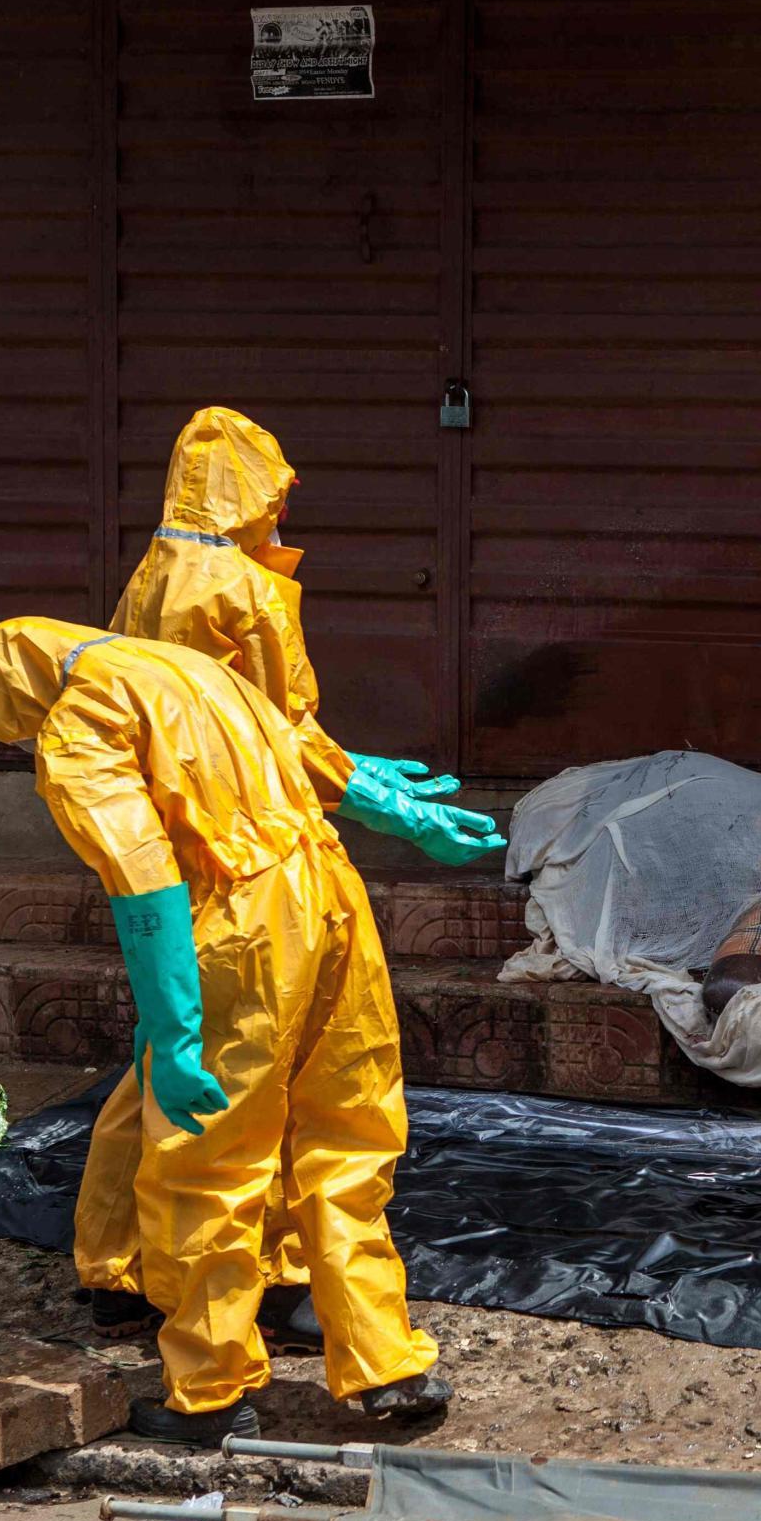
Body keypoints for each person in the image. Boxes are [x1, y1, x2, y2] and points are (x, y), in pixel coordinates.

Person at [73, 407, 501, 1355]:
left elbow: (218, 726)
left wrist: (368, 774)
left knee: (168, 1065)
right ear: (250, 492)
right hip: (257, 865)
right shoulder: (239, 592)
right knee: (261, 1087)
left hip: (193, 854)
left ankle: (118, 1265)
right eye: (278, 495)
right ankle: (244, 1304)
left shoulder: (153, 576)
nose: (284, 513)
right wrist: (383, 799)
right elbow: (278, 731)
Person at [0, 617, 451, 1441]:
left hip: (244, 927)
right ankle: (386, 1364)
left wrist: (175, 1031)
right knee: (347, 1136)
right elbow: (309, 757)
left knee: (206, 1162)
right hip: (331, 897)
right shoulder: (192, 667)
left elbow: (142, 883)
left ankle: (211, 1391)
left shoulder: (81, 718)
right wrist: (400, 811)